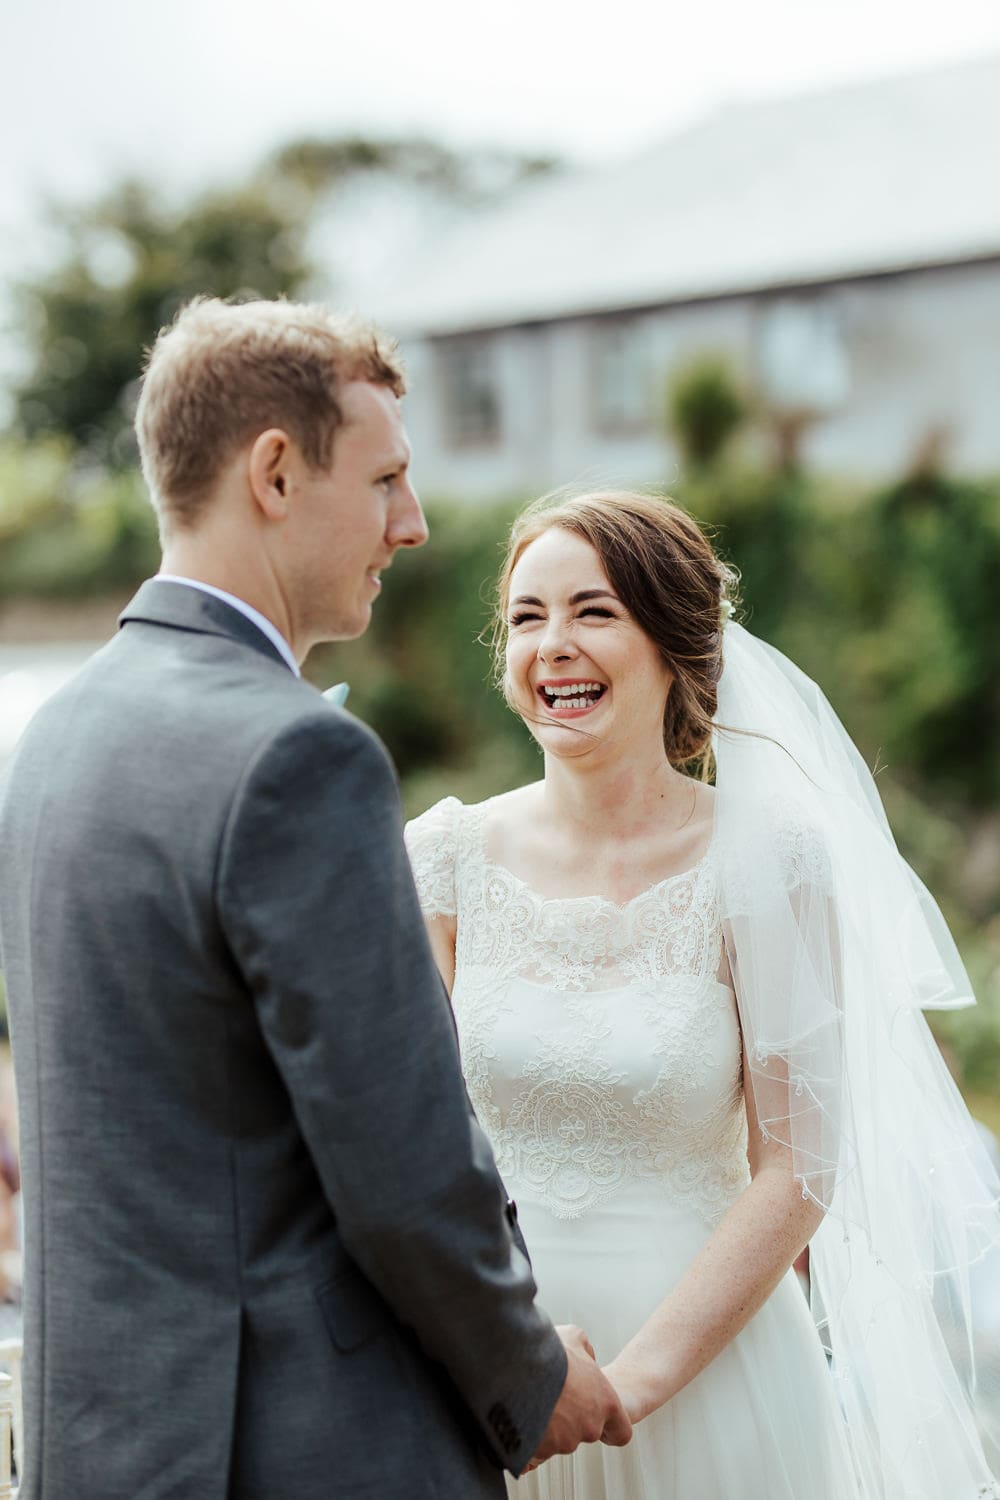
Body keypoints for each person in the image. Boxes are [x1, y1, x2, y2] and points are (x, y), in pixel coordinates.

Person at [0, 300, 630, 1500]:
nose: (413, 523)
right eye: (387, 477)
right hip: (304, 1448)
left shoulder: (55, 739)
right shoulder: (296, 757)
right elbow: (402, 1165)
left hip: (105, 1449)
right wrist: (532, 1376)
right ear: (276, 473)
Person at [404, 488, 1000, 1499]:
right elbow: (407, 1141)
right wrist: (515, 1369)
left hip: (706, 1388)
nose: (552, 645)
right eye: (524, 618)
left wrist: (624, 1389)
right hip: (489, 1382)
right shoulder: (443, 857)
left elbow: (796, 1170)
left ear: (675, 639)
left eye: (592, 612)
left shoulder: (766, 859)